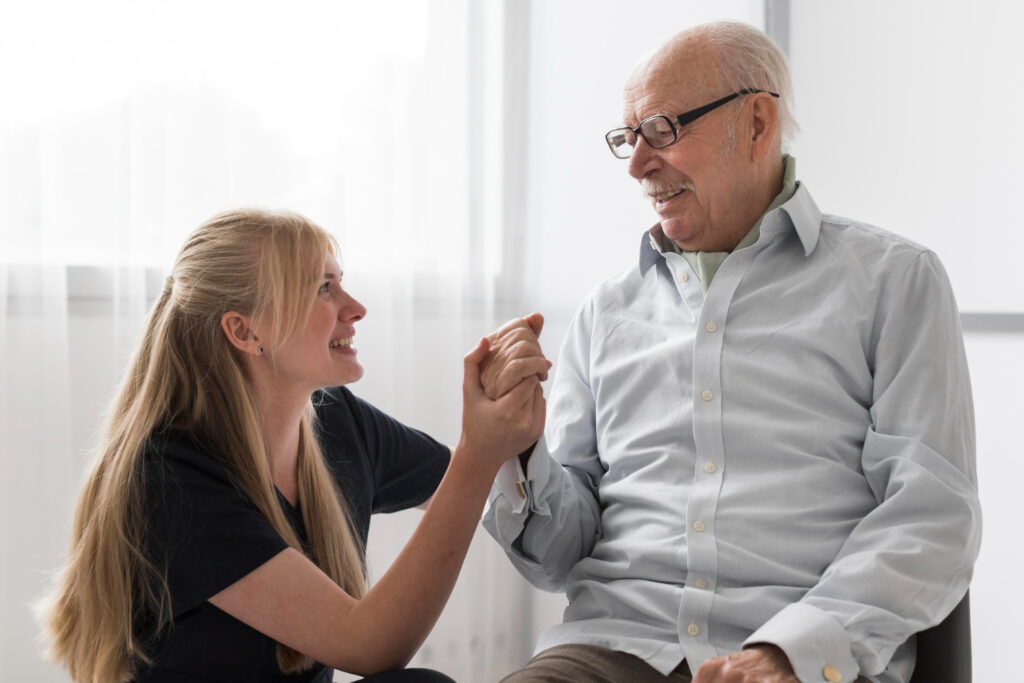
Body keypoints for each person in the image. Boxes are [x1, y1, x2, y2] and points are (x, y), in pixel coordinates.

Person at [481, 20, 981, 683]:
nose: (636, 163)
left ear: (756, 124)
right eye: (628, 138)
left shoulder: (895, 282)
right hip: (612, 649)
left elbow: (931, 516)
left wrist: (792, 652)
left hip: (802, 654)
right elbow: (557, 557)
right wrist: (518, 449)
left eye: (662, 130)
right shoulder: (605, 312)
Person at [38, 209, 547, 683]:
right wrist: (478, 452)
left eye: (340, 282)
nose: (356, 309)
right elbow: (369, 646)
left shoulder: (338, 421)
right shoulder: (168, 479)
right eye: (323, 289)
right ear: (244, 330)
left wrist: (504, 410)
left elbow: (475, 489)